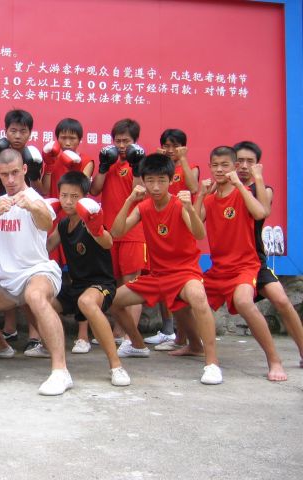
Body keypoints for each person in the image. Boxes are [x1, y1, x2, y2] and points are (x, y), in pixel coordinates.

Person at [109, 153, 222, 384]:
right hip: (157, 276)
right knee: (113, 300)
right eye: (150, 180)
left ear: (171, 180)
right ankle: (137, 344)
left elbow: (199, 233)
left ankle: (212, 364)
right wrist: (129, 200)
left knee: (198, 297)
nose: (155, 186)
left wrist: (190, 208)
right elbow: (117, 232)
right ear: (143, 181)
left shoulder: (180, 204)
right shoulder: (143, 207)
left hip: (185, 273)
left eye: (161, 180)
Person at [0, 149, 71, 395]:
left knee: (34, 296)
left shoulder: (36, 200)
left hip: (38, 272)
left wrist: (33, 207)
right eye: (5, 174)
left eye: (15, 172)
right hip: (9, 281)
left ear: (24, 169)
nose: (11, 179)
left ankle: (61, 371)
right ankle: (1, 345)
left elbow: (46, 223)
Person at [196, 146, 286, 381]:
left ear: (235, 167)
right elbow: (194, 228)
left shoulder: (243, 192)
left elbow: (259, 213)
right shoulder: (210, 199)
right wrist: (200, 195)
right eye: (215, 165)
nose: (219, 170)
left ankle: (274, 360)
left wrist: (238, 184)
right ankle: (194, 345)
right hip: (218, 269)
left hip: (245, 266)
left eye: (225, 165)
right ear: (209, 167)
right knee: (186, 297)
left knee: (244, 302)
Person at [46, 171, 130, 386]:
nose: (68, 201)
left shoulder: (91, 220)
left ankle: (116, 366)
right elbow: (46, 247)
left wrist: (96, 229)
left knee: (86, 301)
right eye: (64, 195)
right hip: (75, 286)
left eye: (74, 197)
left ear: (84, 198)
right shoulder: (63, 225)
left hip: (100, 284)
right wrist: (37, 219)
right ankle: (56, 358)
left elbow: (107, 242)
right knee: (39, 302)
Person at [233, 141, 303, 368]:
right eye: (239, 161)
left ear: (257, 165)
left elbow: (263, 211)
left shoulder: (262, 189)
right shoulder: (221, 189)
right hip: (226, 263)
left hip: (254, 260)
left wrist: (258, 178)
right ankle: (189, 342)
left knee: (281, 300)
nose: (244, 166)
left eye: (249, 162)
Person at [0, 109, 44, 353]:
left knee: (29, 275)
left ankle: (35, 335)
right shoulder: (0, 154)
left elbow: (42, 191)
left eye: (23, 131)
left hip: (27, 220)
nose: (17, 135)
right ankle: (9, 328)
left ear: (30, 133)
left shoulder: (32, 156)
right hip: (4, 218)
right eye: (13, 130)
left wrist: (36, 173)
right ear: (6, 131)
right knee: (3, 272)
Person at [89, 118, 147, 343]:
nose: (122, 146)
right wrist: (103, 166)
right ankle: (118, 332)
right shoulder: (110, 161)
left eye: (126, 141)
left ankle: (130, 337)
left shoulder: (139, 163)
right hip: (109, 232)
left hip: (133, 231)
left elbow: (139, 192)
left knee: (132, 283)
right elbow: (95, 190)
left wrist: (136, 166)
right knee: (113, 283)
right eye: (118, 141)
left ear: (135, 141)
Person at [41, 118, 94, 352]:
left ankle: (83, 335)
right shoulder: (52, 157)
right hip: (55, 222)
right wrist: (49, 164)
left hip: (78, 222)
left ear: (80, 140)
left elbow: (85, 187)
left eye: (72, 137)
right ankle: (52, 334)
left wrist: (72, 165)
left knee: (79, 275)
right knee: (49, 276)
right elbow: (45, 189)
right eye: (63, 137)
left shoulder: (86, 160)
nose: (68, 141)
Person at [146, 128, 199, 349]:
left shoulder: (190, 167)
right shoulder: (157, 172)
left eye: (175, 146)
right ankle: (169, 330)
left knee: (184, 287)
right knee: (160, 277)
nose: (170, 150)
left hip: (182, 226)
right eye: (166, 146)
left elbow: (193, 187)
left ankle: (186, 336)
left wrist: (183, 159)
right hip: (160, 227)